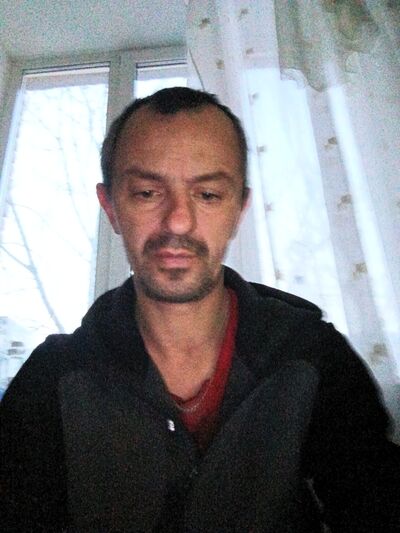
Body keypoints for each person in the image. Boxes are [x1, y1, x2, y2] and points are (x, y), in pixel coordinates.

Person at [1, 87, 399, 532]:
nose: (178, 221)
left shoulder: (314, 358)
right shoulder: (53, 378)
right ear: (110, 207)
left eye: (208, 194)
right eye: (147, 192)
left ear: (239, 209)